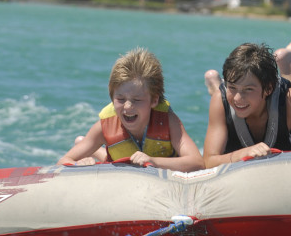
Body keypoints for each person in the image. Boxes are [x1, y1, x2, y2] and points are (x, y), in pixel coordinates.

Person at [202, 40, 291, 168]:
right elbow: (208, 162)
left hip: (286, 118)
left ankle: (287, 65)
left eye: (248, 89)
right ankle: (216, 85)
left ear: (268, 88)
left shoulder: (289, 99)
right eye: (231, 87)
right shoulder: (220, 100)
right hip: (234, 128)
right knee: (226, 100)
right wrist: (243, 154)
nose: (238, 97)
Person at [57, 48, 204, 172]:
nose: (127, 106)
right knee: (110, 158)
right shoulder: (103, 128)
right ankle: (89, 146)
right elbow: (63, 161)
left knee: (116, 155)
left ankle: (88, 145)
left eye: (137, 100)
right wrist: (78, 164)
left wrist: (153, 161)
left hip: (155, 163)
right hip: (118, 163)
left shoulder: (168, 122)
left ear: (154, 100)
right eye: (120, 99)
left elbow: (197, 162)